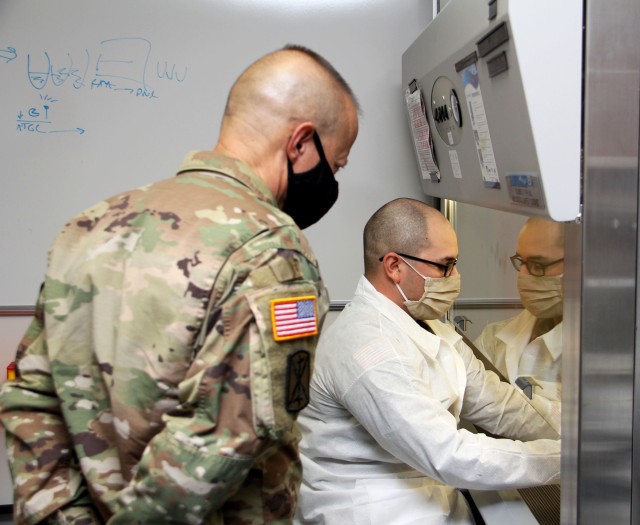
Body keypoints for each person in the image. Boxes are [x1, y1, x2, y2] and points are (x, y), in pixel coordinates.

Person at [0, 44, 359, 525]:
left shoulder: (88, 227)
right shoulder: (272, 252)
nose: (331, 181)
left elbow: (33, 402)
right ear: (300, 144)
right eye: (335, 165)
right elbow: (222, 445)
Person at [295, 198, 560, 525]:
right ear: (394, 266)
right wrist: (566, 460)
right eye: (444, 265)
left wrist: (582, 435)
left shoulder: (430, 324)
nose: (455, 276)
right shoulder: (365, 347)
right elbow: (447, 454)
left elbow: (500, 405)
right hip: (372, 510)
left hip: (426, 496)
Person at [474, 218, 564, 427]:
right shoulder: (495, 338)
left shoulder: (605, 356)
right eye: (521, 262)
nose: (523, 276)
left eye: (537, 264)